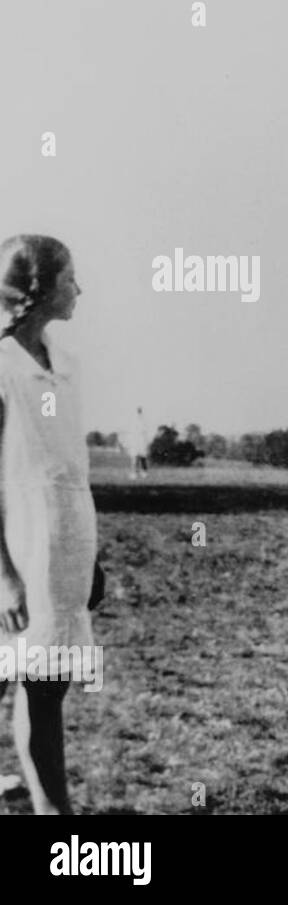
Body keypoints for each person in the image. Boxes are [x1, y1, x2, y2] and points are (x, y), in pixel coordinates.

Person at [0, 234, 96, 814]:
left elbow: (69, 466)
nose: (80, 289)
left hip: (65, 544)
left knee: (45, 685)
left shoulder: (66, 365)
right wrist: (4, 577)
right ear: (37, 290)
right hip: (18, 545)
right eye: (69, 279)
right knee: (21, 678)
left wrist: (92, 556)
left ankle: (50, 815)